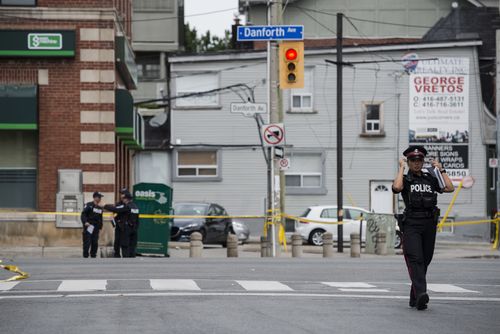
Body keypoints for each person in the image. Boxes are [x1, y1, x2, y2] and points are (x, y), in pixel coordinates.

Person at [392, 146, 454, 310]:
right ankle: (421, 294)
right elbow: (396, 188)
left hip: (429, 224)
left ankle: (415, 296)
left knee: (425, 259)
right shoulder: (405, 179)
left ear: (423, 161)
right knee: (416, 259)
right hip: (412, 224)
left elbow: (449, 188)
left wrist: (442, 170)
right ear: (409, 162)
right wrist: (401, 168)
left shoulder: (430, 178)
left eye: (419, 160)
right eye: (413, 160)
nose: (417, 163)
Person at [104, 190, 139, 258]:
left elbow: (116, 209)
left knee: (125, 245)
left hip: (126, 229)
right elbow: (137, 220)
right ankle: (131, 259)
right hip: (134, 229)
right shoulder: (135, 207)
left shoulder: (127, 206)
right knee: (132, 246)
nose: (122, 199)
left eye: (123, 198)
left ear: (126, 199)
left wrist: (104, 206)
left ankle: (126, 259)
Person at [80, 192, 104, 258]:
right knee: (87, 242)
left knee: (95, 242)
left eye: (100, 197)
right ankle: (85, 255)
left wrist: (100, 226)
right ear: (95, 197)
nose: (100, 199)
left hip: (96, 227)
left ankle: (93, 255)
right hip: (89, 226)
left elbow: (100, 217)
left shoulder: (100, 208)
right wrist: (85, 222)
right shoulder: (89, 205)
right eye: (99, 197)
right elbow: (83, 214)